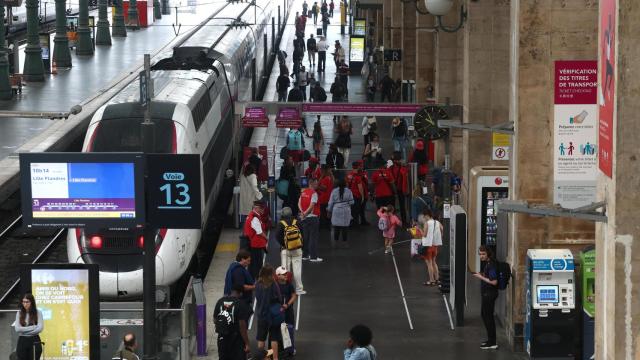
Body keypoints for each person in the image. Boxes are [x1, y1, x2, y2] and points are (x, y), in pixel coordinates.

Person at [214, 284, 251, 360]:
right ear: (240, 293)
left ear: (231, 291)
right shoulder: (240, 304)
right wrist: (247, 343)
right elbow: (242, 326)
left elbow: (215, 320)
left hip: (222, 338)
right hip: (236, 340)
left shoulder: (220, 301)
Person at [473, 245, 499, 350]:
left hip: (490, 294)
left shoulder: (492, 264)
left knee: (488, 317)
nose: (481, 256)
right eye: (480, 254)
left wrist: (480, 277)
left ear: (488, 253)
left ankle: (492, 342)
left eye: (483, 254)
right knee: (485, 315)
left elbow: (494, 281)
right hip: (487, 294)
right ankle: (491, 340)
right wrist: (483, 274)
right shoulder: (489, 263)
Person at [254, 265, 282, 360]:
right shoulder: (273, 284)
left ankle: (262, 358)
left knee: (261, 338)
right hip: (273, 315)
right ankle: (275, 358)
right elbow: (279, 297)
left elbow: (257, 298)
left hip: (262, 315)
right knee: (274, 337)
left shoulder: (257, 284)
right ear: (270, 274)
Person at [276, 207, 305, 294]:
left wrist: (284, 245)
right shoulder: (297, 222)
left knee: (285, 270)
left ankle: (286, 289)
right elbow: (303, 234)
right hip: (297, 249)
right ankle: (299, 289)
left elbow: (277, 236)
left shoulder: (281, 223)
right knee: (297, 270)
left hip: (285, 250)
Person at [299, 177, 323, 262]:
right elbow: (312, 205)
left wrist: (302, 213)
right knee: (313, 237)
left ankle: (305, 255)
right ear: (312, 184)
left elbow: (299, 203)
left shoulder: (303, 192)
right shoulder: (314, 193)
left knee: (305, 237)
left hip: (304, 218)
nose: (317, 185)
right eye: (316, 183)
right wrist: (305, 213)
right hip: (313, 217)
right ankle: (313, 257)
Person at [14, 293, 43, 360]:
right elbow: (17, 329)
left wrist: (23, 331)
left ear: (31, 302)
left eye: (27, 302)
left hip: (35, 340)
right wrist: (33, 327)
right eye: (23, 302)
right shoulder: (19, 313)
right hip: (22, 341)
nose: (25, 304)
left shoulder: (38, 312)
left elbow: (40, 328)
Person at [244, 201, 269, 279]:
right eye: (261, 208)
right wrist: (266, 238)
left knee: (253, 263)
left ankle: (253, 277)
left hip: (253, 243)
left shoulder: (251, 215)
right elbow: (259, 232)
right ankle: (257, 278)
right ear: (257, 208)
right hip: (255, 244)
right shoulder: (254, 218)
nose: (263, 210)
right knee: (257, 263)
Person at [328, 178, 355, 248]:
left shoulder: (334, 191)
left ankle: (336, 243)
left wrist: (329, 211)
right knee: (345, 227)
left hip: (336, 210)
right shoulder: (349, 191)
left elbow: (330, 203)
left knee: (336, 227)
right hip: (346, 211)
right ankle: (345, 243)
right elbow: (352, 202)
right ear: (345, 183)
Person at [421, 209, 442, 286]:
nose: (424, 218)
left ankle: (431, 280)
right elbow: (442, 229)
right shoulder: (437, 222)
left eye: (424, 216)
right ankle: (437, 279)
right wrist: (439, 236)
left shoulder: (427, 223)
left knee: (429, 263)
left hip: (428, 246)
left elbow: (425, 234)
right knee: (434, 262)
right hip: (435, 245)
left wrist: (419, 230)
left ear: (427, 215)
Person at [346, 160, 369, 226]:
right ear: (358, 167)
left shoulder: (350, 175)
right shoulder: (358, 176)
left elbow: (347, 185)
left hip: (354, 194)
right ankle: (355, 223)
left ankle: (361, 221)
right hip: (358, 195)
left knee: (358, 209)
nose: (362, 167)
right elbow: (360, 187)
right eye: (360, 166)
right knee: (356, 209)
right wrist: (363, 196)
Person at [389, 152, 409, 225]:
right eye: (399, 160)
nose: (400, 161)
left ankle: (392, 221)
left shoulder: (390, 168)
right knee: (402, 206)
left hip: (392, 189)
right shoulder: (402, 168)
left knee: (392, 206)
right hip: (400, 189)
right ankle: (404, 222)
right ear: (396, 160)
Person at [316, 165, 334, 229]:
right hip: (328, 198)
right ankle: (327, 226)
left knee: (323, 214)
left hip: (324, 199)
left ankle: (323, 226)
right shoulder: (330, 177)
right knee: (326, 213)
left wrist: (317, 186)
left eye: (321, 170)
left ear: (323, 170)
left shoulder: (326, 178)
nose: (320, 171)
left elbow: (324, 188)